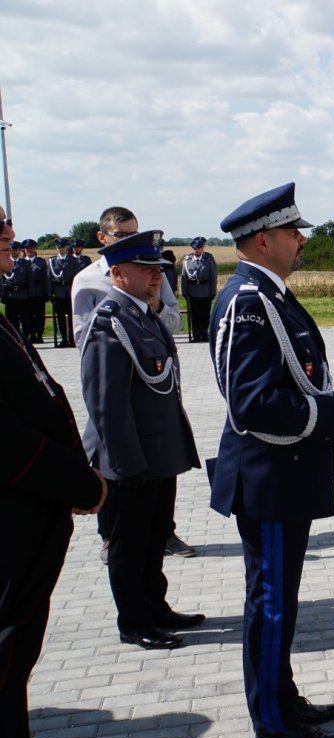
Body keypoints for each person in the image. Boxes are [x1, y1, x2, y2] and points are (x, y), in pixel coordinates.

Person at [208, 182, 334, 738]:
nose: (301, 240)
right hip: (269, 478)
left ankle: (283, 695)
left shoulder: (272, 295)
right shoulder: (249, 302)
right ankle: (273, 720)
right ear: (262, 240)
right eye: (292, 231)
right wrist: (333, 412)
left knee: (281, 599)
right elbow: (251, 404)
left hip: (286, 473)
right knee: (272, 601)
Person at [0, 206, 110, 738]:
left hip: (30, 510)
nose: (11, 244)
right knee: (7, 646)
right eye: (0, 237)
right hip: (15, 513)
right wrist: (76, 483)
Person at [79, 230, 205, 650]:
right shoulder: (110, 321)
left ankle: (155, 605)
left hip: (157, 454)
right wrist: (123, 462)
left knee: (153, 538)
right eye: (145, 269)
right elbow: (105, 403)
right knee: (129, 544)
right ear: (117, 273)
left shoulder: (143, 315)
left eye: (158, 269)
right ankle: (133, 621)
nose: (156, 276)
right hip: (132, 458)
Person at [71, 206, 182, 345]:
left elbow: (176, 325)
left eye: (134, 235)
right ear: (102, 237)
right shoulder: (86, 280)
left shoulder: (153, 272)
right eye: (121, 235)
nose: (129, 241)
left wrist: (157, 306)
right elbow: (84, 339)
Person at [181, 236, 218, 342]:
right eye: (196, 248)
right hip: (192, 292)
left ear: (203, 248)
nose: (197, 250)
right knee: (194, 315)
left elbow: (213, 276)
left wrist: (212, 292)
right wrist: (184, 291)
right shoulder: (188, 260)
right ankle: (196, 335)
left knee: (205, 314)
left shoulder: (208, 259)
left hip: (205, 291)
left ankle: (204, 334)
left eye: (199, 248)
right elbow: (184, 277)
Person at [47, 238, 79, 347]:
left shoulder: (73, 260)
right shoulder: (52, 261)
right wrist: (50, 293)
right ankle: (64, 339)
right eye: (59, 247)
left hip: (70, 292)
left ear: (66, 248)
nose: (61, 249)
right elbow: (49, 278)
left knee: (72, 317)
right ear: (56, 248)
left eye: (63, 247)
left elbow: (76, 277)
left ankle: (72, 339)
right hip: (58, 292)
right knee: (60, 318)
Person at [23, 240, 49, 344]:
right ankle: (31, 335)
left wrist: (47, 293)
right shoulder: (22, 262)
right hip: (26, 295)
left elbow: (46, 278)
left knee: (39, 316)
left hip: (39, 294)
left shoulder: (41, 262)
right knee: (27, 316)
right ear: (24, 250)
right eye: (27, 248)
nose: (29, 250)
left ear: (35, 249)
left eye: (31, 248)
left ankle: (39, 335)